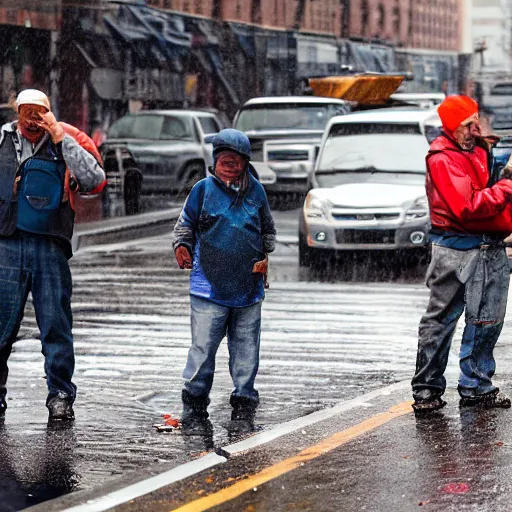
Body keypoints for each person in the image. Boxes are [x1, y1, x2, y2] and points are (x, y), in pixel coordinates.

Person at [0, 89, 106, 421]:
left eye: (39, 113)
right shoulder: (1, 139)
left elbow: (94, 179)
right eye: (26, 113)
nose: (32, 120)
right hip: (7, 243)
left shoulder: (65, 139)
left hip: (50, 245)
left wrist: (61, 138)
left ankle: (60, 394)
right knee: (1, 325)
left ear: (49, 112)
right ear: (17, 113)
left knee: (56, 326)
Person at [412, 95, 512, 413]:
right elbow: (468, 206)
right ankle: (431, 389)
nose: (474, 129)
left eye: (474, 122)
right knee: (444, 321)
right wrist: (508, 186)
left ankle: (472, 386)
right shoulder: (442, 158)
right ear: (451, 128)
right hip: (457, 247)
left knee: (486, 321)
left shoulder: (477, 147)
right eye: (467, 125)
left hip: (482, 245)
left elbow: (480, 194)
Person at [172, 128, 276, 432]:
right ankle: (194, 398)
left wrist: (261, 250)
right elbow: (184, 226)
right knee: (203, 348)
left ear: (245, 162)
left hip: (248, 288)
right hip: (208, 287)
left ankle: (244, 398)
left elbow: (268, 230)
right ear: (214, 161)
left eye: (236, 160)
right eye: (224, 160)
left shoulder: (256, 192)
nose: (230, 165)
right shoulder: (202, 191)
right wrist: (182, 247)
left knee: (246, 349)